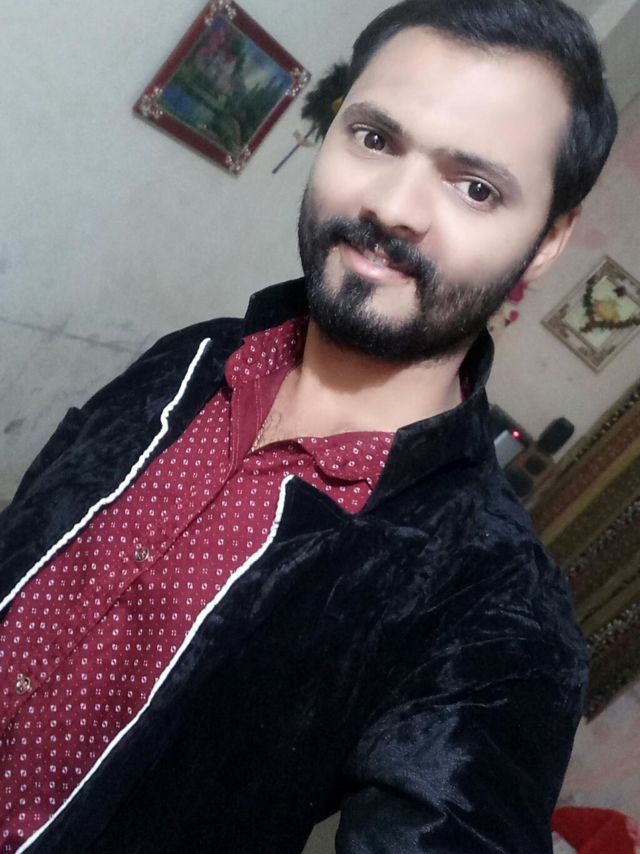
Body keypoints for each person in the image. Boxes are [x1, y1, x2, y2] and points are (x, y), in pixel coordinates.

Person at [0, 0, 617, 851]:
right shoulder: (194, 357)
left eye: (475, 188)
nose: (393, 206)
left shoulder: (496, 605)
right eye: (376, 138)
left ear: (546, 242)